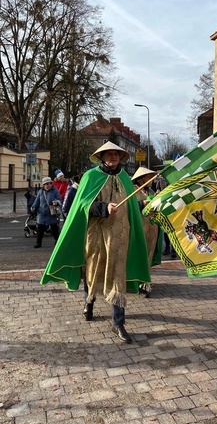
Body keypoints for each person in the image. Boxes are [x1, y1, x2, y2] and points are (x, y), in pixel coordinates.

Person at [40, 142, 150, 344]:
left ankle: (118, 322)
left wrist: (144, 204)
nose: (112, 157)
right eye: (108, 154)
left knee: (118, 274)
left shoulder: (126, 178)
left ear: (120, 157)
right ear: (101, 157)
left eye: (116, 154)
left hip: (120, 236)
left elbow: (132, 205)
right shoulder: (91, 177)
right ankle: (89, 302)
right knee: (92, 270)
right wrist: (103, 207)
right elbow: (82, 204)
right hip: (96, 234)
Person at [131, 166, 163, 297]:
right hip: (139, 228)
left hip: (152, 229)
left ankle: (145, 280)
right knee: (138, 254)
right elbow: (129, 206)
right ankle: (138, 282)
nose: (152, 180)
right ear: (141, 178)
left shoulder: (150, 191)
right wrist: (142, 203)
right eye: (149, 177)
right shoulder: (132, 191)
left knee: (148, 255)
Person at [31, 177, 61, 248]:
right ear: (43, 185)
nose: (49, 185)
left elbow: (60, 200)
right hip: (42, 213)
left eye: (50, 183)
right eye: (46, 184)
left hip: (52, 212)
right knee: (40, 229)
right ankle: (38, 243)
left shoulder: (55, 191)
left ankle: (58, 241)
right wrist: (33, 207)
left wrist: (57, 202)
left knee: (54, 229)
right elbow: (37, 201)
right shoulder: (40, 192)